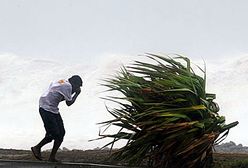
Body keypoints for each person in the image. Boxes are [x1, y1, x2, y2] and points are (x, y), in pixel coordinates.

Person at [31, 75, 82, 162]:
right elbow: (69, 103)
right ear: (74, 83)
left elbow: (56, 93)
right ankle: (37, 148)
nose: (78, 88)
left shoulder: (62, 81)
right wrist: (76, 94)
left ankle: (52, 157)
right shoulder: (68, 86)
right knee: (53, 134)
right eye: (78, 86)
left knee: (61, 133)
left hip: (50, 107)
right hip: (46, 108)